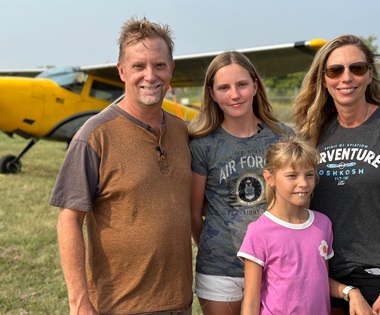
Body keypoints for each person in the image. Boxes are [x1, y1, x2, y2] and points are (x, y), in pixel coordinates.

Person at [50, 17, 193, 315]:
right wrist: (79, 303)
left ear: (171, 70)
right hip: (118, 306)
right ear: (122, 71)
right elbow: (69, 220)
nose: (150, 76)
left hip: (180, 303)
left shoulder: (183, 132)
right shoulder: (94, 136)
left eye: (160, 66)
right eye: (139, 66)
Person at [293, 34, 380, 315]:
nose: (346, 78)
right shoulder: (311, 132)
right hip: (321, 274)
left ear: (370, 74)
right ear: (324, 79)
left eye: (357, 68)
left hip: (374, 276)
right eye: (335, 70)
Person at [188, 51, 294, 315]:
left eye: (242, 85)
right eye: (224, 87)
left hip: (276, 266)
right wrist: (218, 249)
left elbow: (296, 203)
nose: (235, 95)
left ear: (255, 86)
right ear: (211, 93)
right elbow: (193, 213)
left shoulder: (283, 137)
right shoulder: (203, 144)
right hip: (220, 271)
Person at [237, 137, 376, 315]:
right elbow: (250, 303)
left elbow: (320, 281)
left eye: (309, 174)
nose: (303, 183)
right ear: (269, 178)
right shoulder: (258, 232)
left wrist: (351, 292)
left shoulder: (322, 224)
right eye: (292, 175)